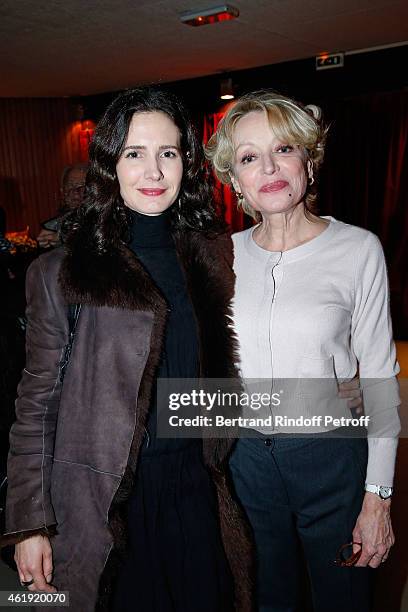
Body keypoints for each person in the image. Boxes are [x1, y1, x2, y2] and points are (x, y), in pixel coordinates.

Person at [1, 88, 253, 612]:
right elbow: (36, 405)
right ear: (110, 164)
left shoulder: (215, 256)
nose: (153, 171)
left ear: (187, 161)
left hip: (199, 490)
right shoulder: (61, 271)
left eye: (168, 152)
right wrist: (30, 521)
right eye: (134, 153)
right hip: (104, 503)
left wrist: (328, 399)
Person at [206, 90, 401, 611]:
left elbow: (380, 377)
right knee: (267, 598)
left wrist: (378, 498)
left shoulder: (357, 249)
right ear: (235, 179)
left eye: (284, 148)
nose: (268, 166)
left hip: (330, 457)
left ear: (309, 161)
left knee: (345, 594)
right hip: (245, 461)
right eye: (249, 157)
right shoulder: (218, 256)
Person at [36, 163, 87, 249]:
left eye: (82, 185)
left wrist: (64, 239)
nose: (75, 191)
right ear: (62, 191)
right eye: (71, 185)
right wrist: (44, 243)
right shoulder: (52, 226)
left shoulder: (103, 219)